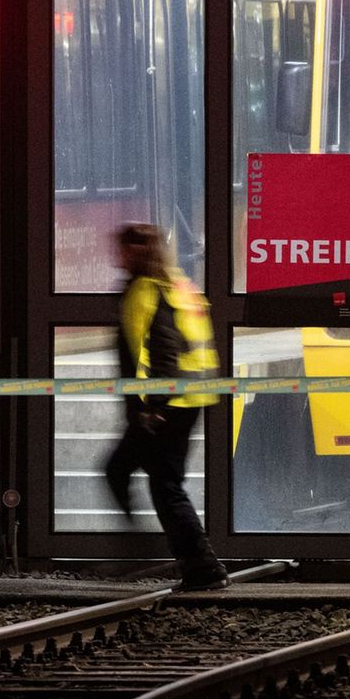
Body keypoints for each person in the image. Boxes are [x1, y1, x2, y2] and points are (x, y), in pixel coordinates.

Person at [106, 223, 229, 590]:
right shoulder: (178, 283)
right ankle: (141, 543)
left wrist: (154, 405)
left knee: (164, 485)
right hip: (187, 398)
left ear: (134, 252)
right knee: (122, 469)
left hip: (167, 404)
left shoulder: (147, 290)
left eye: (123, 249)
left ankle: (202, 567)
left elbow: (162, 349)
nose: (118, 256)